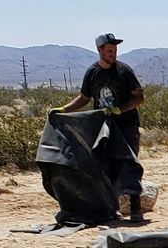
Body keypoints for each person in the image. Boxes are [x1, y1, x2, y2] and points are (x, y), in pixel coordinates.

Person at [60, 33, 145, 222]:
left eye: (114, 50)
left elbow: (139, 97)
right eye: (109, 50)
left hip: (126, 126)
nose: (113, 53)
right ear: (100, 50)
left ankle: (135, 209)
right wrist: (63, 110)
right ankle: (110, 209)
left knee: (129, 163)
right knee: (105, 166)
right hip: (104, 128)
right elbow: (84, 98)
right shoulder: (92, 73)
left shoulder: (124, 71)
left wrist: (120, 109)